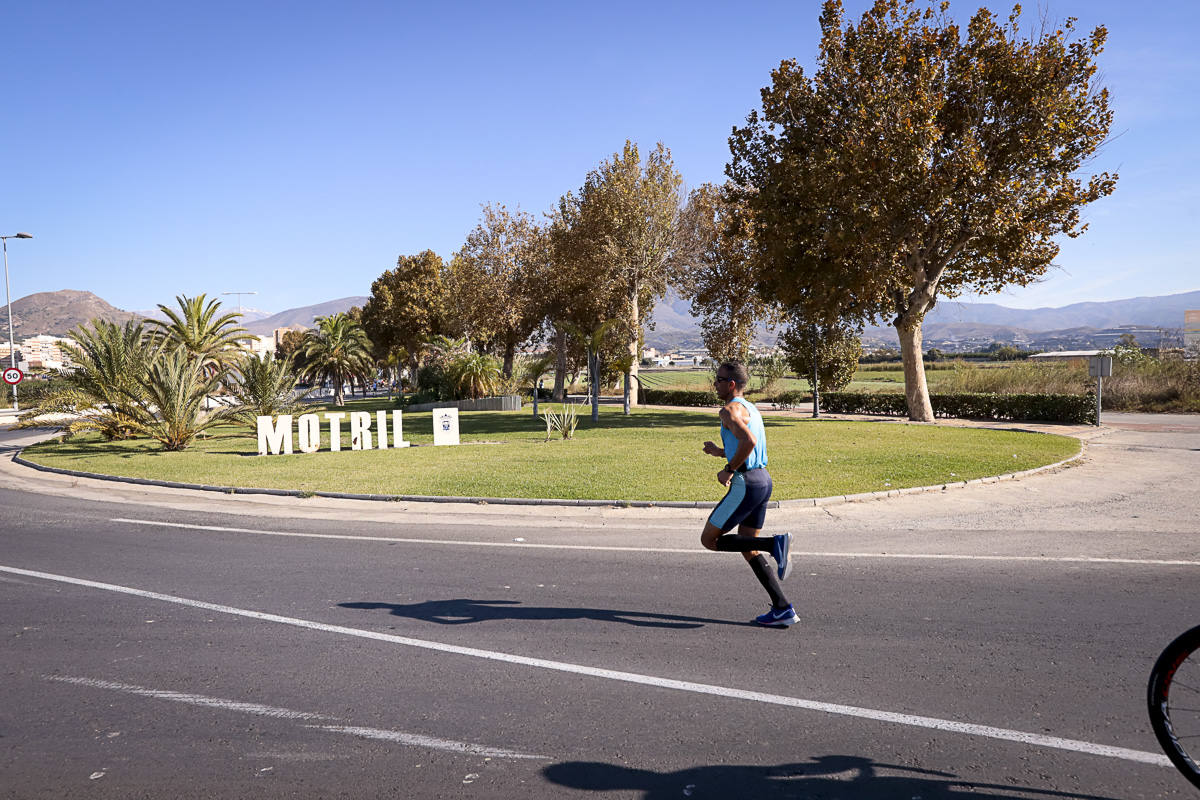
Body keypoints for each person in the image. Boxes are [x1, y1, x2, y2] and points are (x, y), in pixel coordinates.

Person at [700, 361, 797, 627]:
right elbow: (746, 443)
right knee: (747, 546)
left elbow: (749, 442)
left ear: (731, 384)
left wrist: (728, 468)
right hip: (763, 480)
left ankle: (774, 544)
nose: (715, 384)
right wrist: (720, 452)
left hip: (745, 483)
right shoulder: (750, 408)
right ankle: (782, 608)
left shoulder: (729, 410)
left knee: (709, 540)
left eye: (718, 379)